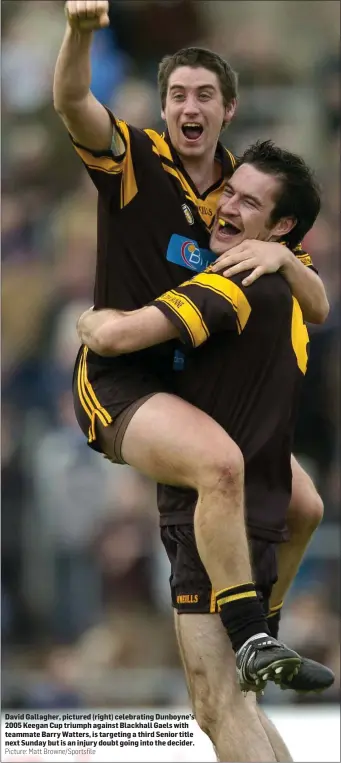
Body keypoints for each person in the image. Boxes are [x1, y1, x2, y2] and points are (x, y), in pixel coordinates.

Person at [54, 1, 328, 698]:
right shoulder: (136, 156)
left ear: (228, 110)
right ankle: (248, 636)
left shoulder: (243, 191)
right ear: (164, 106)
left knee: (304, 506)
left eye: (204, 94)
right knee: (219, 466)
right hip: (121, 381)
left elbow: (317, 305)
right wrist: (79, 34)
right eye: (176, 94)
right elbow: (72, 100)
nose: (188, 105)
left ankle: (264, 622)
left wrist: (284, 259)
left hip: (196, 383)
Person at [77, 141, 334, 762]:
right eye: (231, 190)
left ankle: (253, 635)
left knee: (219, 706)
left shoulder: (229, 285)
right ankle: (262, 633)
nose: (228, 205)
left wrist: (89, 323)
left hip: (213, 526)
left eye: (251, 202)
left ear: (281, 228)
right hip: (265, 508)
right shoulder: (287, 284)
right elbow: (321, 304)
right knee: (235, 705)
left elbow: (115, 335)